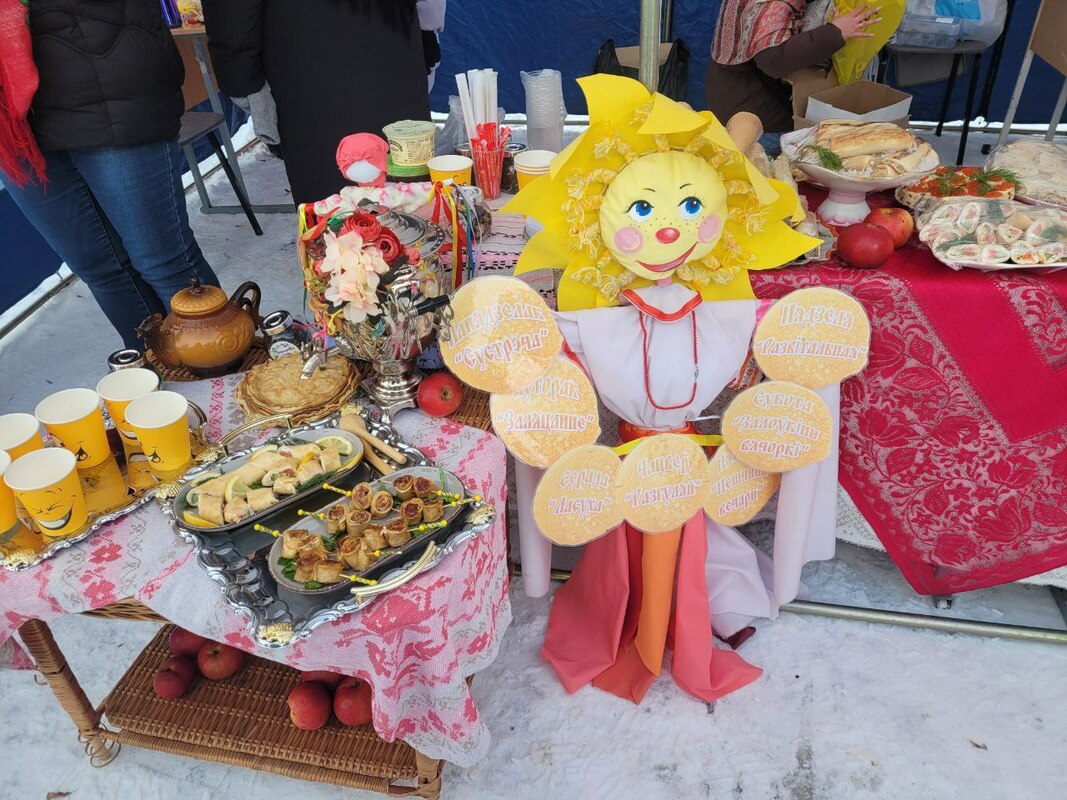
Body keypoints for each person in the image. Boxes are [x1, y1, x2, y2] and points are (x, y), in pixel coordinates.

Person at [0, 0, 220, 350]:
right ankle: (157, 371)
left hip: (106, 82)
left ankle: (228, 370)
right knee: (100, 268)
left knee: (164, 262)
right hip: (13, 124)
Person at [202, 0, 431, 206]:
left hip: (316, 60)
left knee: (342, 203)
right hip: (377, 44)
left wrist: (241, 81)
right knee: (398, 189)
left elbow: (231, 13)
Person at [706, 0, 881, 137]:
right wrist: (836, 32)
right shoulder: (773, 3)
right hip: (756, 116)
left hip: (736, 96)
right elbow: (774, 59)